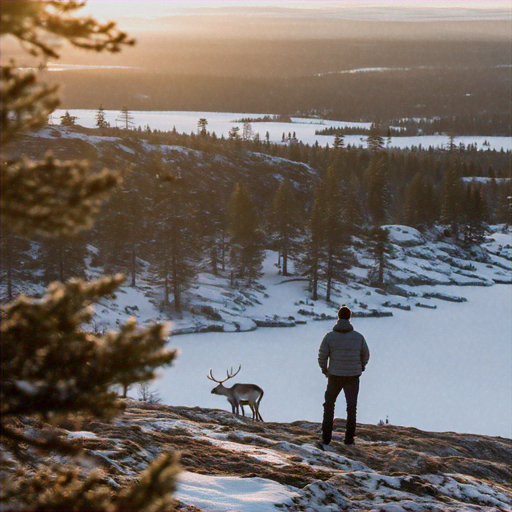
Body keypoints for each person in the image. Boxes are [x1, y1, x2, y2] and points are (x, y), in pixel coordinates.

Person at [317, 305, 370, 446]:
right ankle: (349, 438)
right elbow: (366, 354)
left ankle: (326, 437)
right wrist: (361, 367)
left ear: (338, 317)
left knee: (329, 404)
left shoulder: (329, 337)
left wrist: (325, 370)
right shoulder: (358, 337)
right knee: (351, 407)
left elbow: (322, 355)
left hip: (334, 375)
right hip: (353, 376)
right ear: (349, 317)